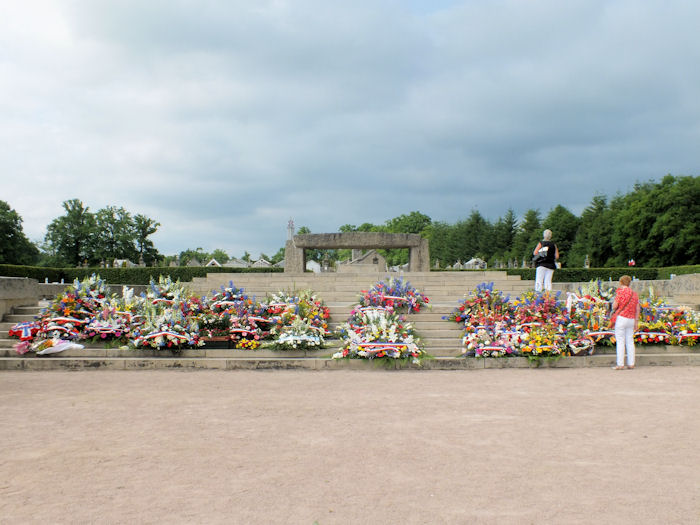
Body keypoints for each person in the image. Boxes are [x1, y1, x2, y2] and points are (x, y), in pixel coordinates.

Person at [611, 275, 640, 370]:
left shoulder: (620, 292)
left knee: (620, 341)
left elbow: (615, 306)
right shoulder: (634, 294)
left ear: (621, 282)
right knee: (630, 341)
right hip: (631, 319)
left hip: (621, 318)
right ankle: (631, 363)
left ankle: (620, 364)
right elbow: (637, 308)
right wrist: (636, 322)